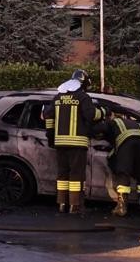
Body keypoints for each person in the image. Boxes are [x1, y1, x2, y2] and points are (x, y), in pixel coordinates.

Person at [45, 69, 105, 214]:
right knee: (76, 175)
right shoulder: (82, 97)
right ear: (83, 83)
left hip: (60, 143)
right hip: (77, 143)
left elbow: (48, 116)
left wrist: (51, 136)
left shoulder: (58, 97)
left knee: (62, 174)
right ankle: (75, 205)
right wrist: (103, 112)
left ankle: (61, 204)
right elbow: (90, 115)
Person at [93, 111, 140, 216]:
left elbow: (98, 130)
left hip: (127, 143)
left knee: (123, 172)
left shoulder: (113, 122)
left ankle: (122, 207)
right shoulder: (139, 124)